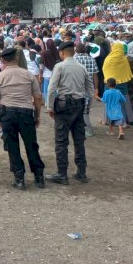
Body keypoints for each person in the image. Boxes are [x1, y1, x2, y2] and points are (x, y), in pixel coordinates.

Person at [0, 46, 45, 189]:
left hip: (7, 114)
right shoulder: (28, 75)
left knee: (12, 146)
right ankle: (39, 177)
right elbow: (38, 97)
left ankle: (19, 177)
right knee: (31, 145)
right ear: (16, 58)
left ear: (2, 60)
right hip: (26, 113)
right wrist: (37, 115)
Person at [46, 40, 94, 185]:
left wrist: (50, 107)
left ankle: (62, 174)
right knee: (79, 140)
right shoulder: (81, 67)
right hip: (79, 106)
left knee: (61, 141)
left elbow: (51, 89)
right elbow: (90, 90)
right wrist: (87, 108)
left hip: (63, 106)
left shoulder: (59, 66)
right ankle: (81, 172)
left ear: (62, 53)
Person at [101, 44, 133, 126]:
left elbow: (104, 70)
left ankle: (107, 120)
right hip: (122, 84)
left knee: (109, 102)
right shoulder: (124, 59)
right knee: (122, 103)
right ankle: (123, 121)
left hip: (109, 84)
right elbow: (127, 72)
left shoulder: (108, 59)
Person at [73, 43, 99, 137]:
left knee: (78, 110)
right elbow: (95, 75)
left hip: (76, 88)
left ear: (76, 51)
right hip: (88, 88)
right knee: (85, 110)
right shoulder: (91, 59)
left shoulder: (74, 60)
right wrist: (96, 88)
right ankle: (84, 128)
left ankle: (88, 129)